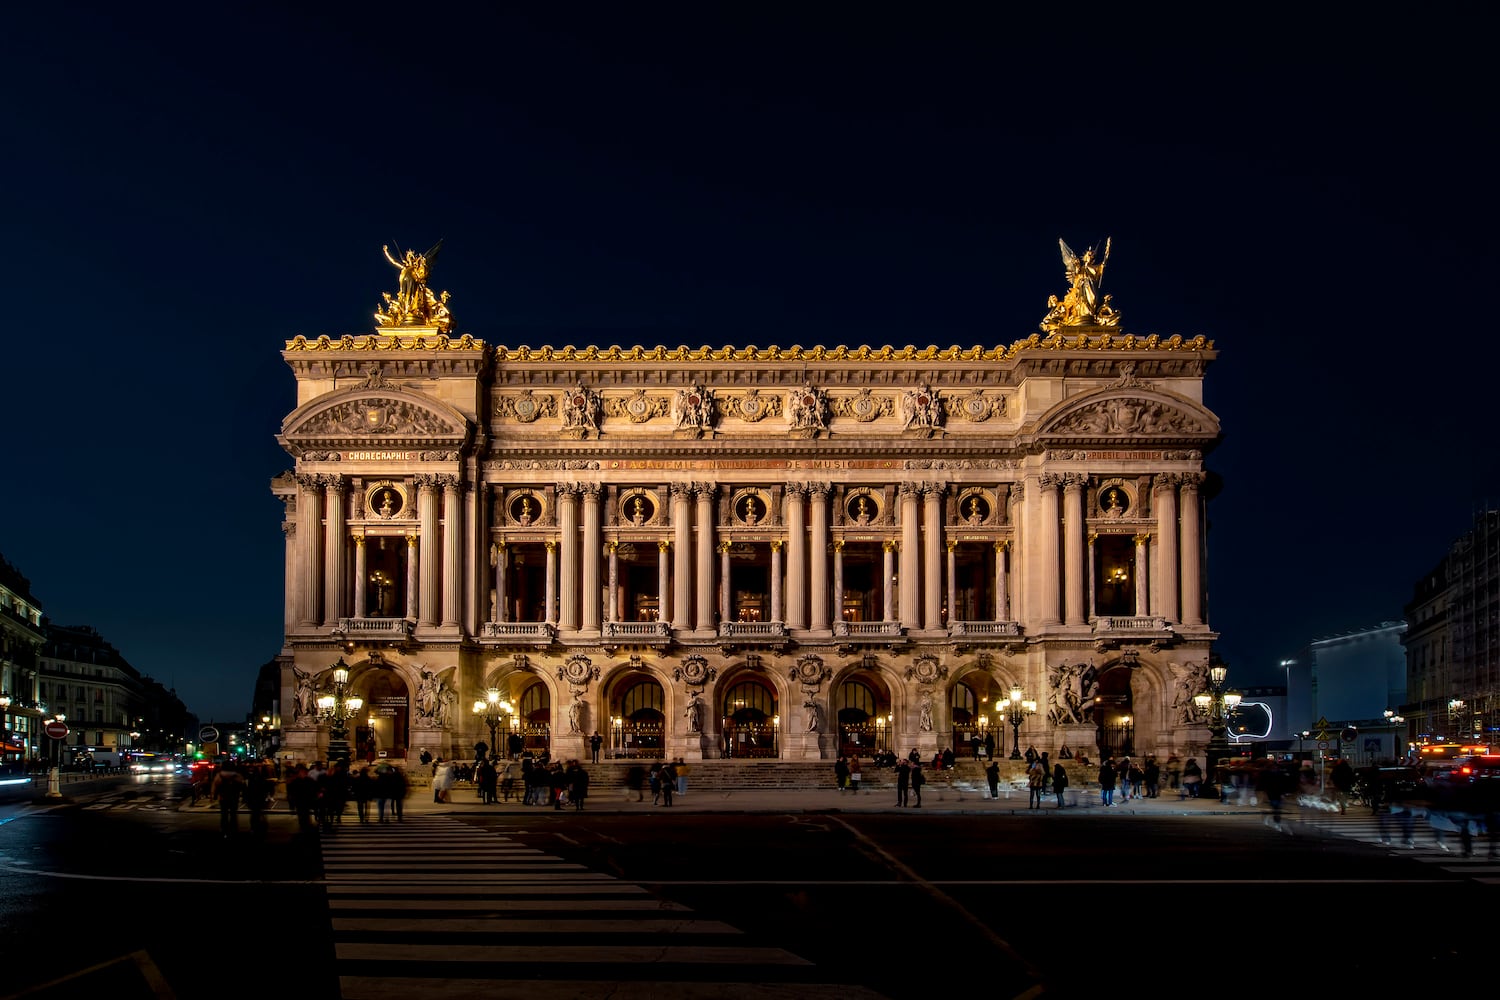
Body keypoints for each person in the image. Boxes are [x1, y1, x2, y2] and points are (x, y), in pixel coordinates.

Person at [212, 765, 244, 838]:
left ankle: (224, 829)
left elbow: (215, 786)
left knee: (224, 814)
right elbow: (242, 785)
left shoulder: (219, 775)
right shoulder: (237, 776)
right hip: (234, 797)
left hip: (223, 797)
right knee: (233, 814)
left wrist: (214, 795)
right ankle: (234, 829)